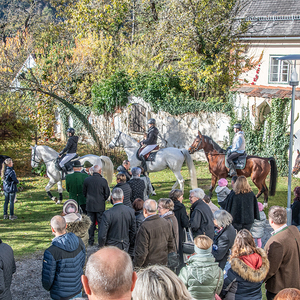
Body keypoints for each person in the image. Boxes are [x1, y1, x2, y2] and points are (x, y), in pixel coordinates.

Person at [42, 215, 85, 300]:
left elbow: (48, 278)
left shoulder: (51, 251)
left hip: (60, 295)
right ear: (66, 225)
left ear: (52, 229)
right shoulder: (79, 241)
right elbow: (82, 262)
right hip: (77, 289)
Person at [221, 229, 269, 300]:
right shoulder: (261, 260)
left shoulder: (234, 265)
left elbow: (224, 286)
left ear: (236, 244)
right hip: (256, 297)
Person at [264, 206, 300, 300]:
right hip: (295, 284)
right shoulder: (294, 230)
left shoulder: (276, 242)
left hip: (280, 289)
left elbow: (270, 269)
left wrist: (258, 279)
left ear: (271, 221)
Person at [179, 235, 223, 300]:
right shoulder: (219, 271)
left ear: (195, 248)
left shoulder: (186, 270)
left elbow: (180, 291)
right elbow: (217, 292)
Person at [133, 199, 175, 268]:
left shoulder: (144, 226)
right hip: (163, 264)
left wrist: (135, 267)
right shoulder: (165, 222)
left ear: (145, 210)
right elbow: (171, 244)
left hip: (149, 267)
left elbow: (141, 253)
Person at [98, 188, 136, 253]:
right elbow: (133, 231)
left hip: (111, 246)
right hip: (125, 245)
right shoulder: (130, 211)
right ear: (123, 197)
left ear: (112, 198)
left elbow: (102, 235)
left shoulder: (107, 214)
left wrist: (102, 247)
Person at [82, 165, 110, 246]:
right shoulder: (103, 181)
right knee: (101, 224)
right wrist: (102, 200)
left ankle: (90, 241)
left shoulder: (87, 180)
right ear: (100, 171)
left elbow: (84, 192)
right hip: (100, 205)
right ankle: (101, 241)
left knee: (91, 224)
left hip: (90, 205)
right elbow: (107, 193)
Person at [169, 189, 189, 266]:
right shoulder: (181, 207)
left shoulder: (168, 206)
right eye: (181, 196)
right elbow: (185, 222)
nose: (182, 198)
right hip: (179, 231)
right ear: (178, 197)